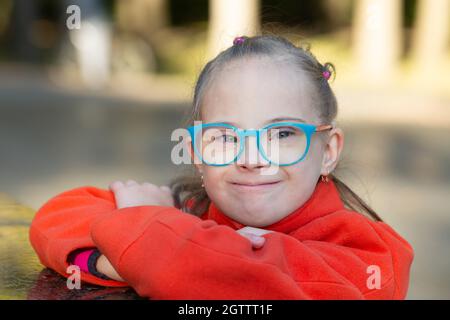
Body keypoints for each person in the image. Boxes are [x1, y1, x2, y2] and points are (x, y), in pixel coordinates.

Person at [29, 35, 414, 299]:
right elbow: (58, 217)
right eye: (226, 137)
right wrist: (137, 253)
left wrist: (140, 233)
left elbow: (242, 280)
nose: (251, 158)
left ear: (328, 149)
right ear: (196, 152)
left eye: (281, 134)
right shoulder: (189, 211)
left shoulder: (370, 256)